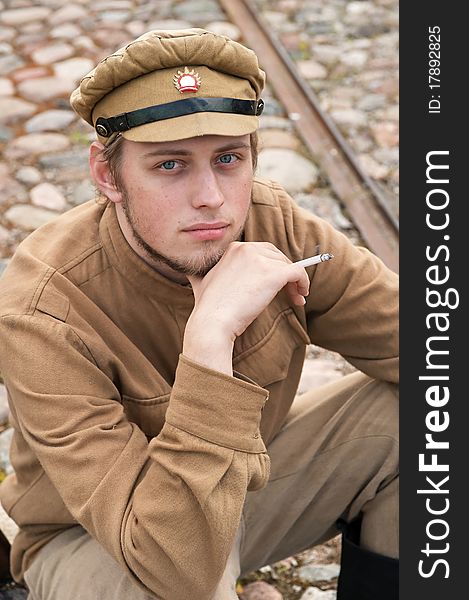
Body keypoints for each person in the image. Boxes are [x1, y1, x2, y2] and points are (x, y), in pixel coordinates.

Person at [0, 28, 398, 600]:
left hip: (240, 491)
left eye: (228, 159)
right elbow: (173, 564)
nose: (210, 196)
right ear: (108, 175)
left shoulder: (272, 223)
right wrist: (209, 337)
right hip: (102, 542)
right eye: (170, 166)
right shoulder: (44, 311)